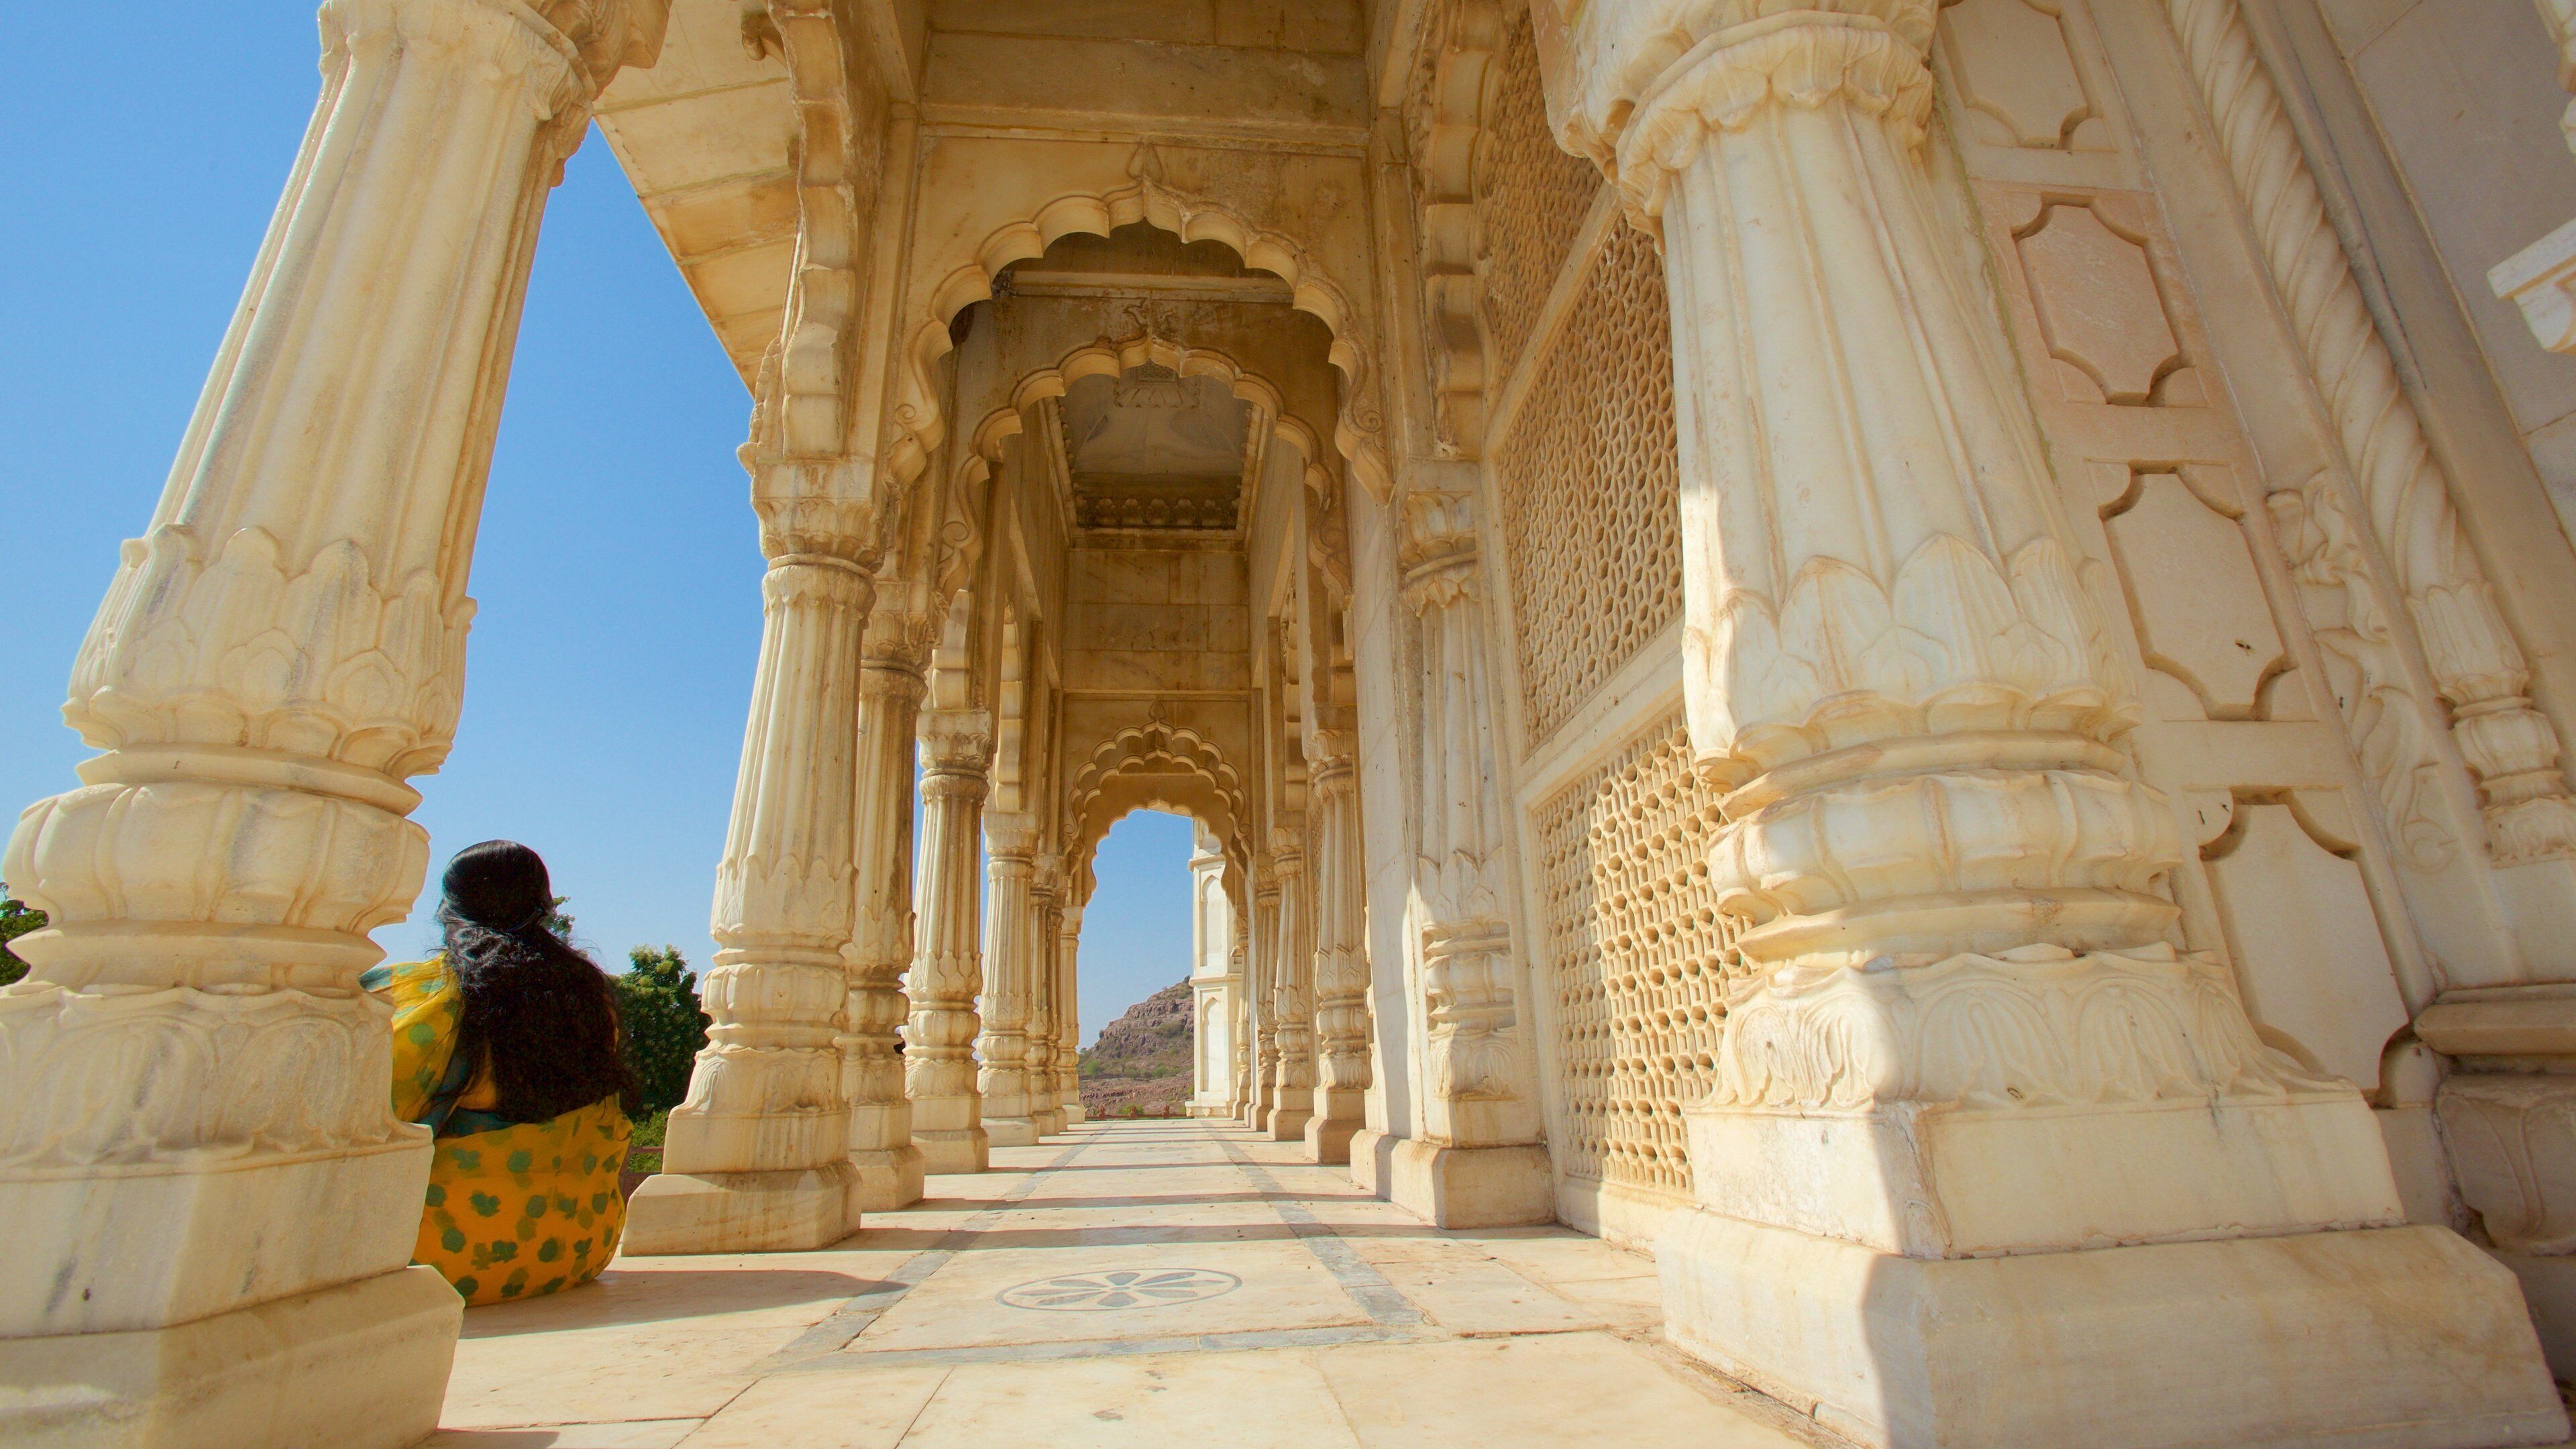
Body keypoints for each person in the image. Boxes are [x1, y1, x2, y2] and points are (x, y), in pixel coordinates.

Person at [363, 841, 640, 1305]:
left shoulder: (430, 998)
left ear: (449, 909)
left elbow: (362, 1115)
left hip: (447, 1264)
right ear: (543, 908)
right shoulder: (593, 1004)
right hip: (579, 1246)